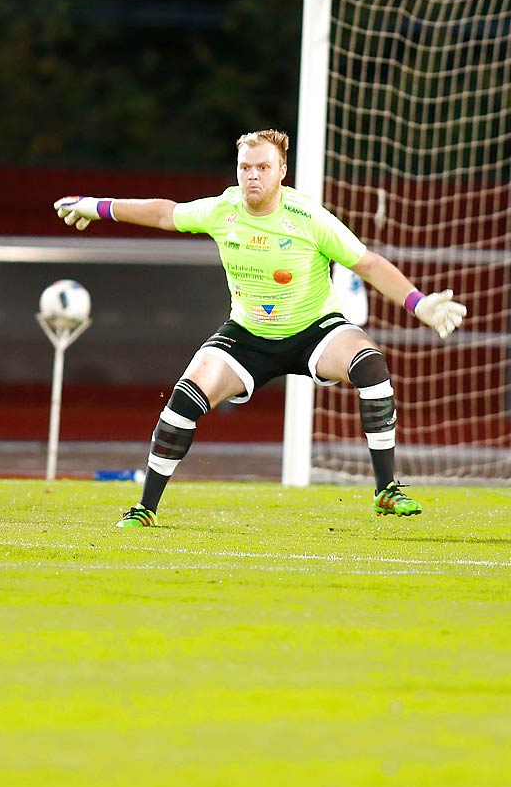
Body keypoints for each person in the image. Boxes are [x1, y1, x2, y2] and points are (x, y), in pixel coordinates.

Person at [54, 128, 466, 528]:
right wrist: (96, 204)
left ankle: (386, 489)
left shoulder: (308, 216)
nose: (253, 175)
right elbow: (165, 213)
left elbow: (368, 263)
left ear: (282, 170)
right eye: (245, 167)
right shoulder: (224, 209)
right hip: (247, 335)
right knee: (185, 397)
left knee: (371, 365)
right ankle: (145, 508)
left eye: (263, 167)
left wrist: (419, 303)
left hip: (315, 329)